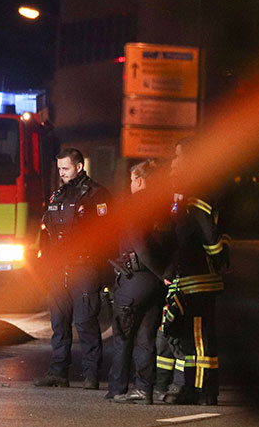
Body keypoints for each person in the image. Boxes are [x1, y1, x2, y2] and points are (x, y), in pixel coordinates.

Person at [154, 138, 230, 405]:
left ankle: (202, 391)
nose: (176, 162)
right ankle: (191, 387)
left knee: (199, 339)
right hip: (190, 276)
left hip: (198, 277)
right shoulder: (191, 190)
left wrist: (216, 258)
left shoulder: (198, 191)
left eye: (180, 157)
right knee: (190, 335)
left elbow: (209, 235)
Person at [34, 148, 111, 390]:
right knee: (59, 323)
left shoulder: (97, 195)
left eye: (65, 169)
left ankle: (91, 374)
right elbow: (46, 233)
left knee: (85, 322)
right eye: (59, 169)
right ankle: (58, 372)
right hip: (59, 268)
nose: (62, 173)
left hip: (84, 266)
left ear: (79, 166)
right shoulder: (57, 196)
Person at [106, 159, 172, 404]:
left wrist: (160, 273)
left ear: (140, 181)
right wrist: (166, 274)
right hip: (156, 284)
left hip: (134, 280)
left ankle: (117, 388)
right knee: (146, 338)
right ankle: (144, 389)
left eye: (132, 180)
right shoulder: (166, 206)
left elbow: (140, 246)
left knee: (123, 337)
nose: (130, 184)